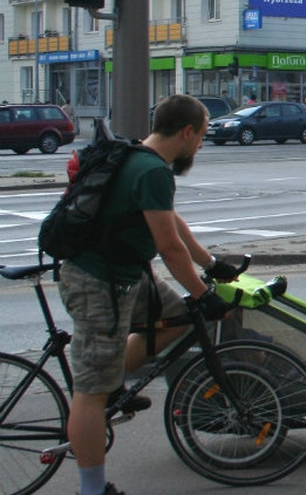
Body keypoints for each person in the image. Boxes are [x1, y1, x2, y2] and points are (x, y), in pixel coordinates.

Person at [58, 95, 242, 495]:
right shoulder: (152, 171)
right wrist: (203, 294)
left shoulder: (139, 156)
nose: (201, 146)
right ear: (186, 132)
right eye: (201, 137)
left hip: (125, 275)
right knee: (89, 394)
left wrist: (211, 265)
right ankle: (92, 488)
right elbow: (169, 247)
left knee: (177, 316)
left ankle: (115, 382)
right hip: (96, 283)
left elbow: (174, 224)